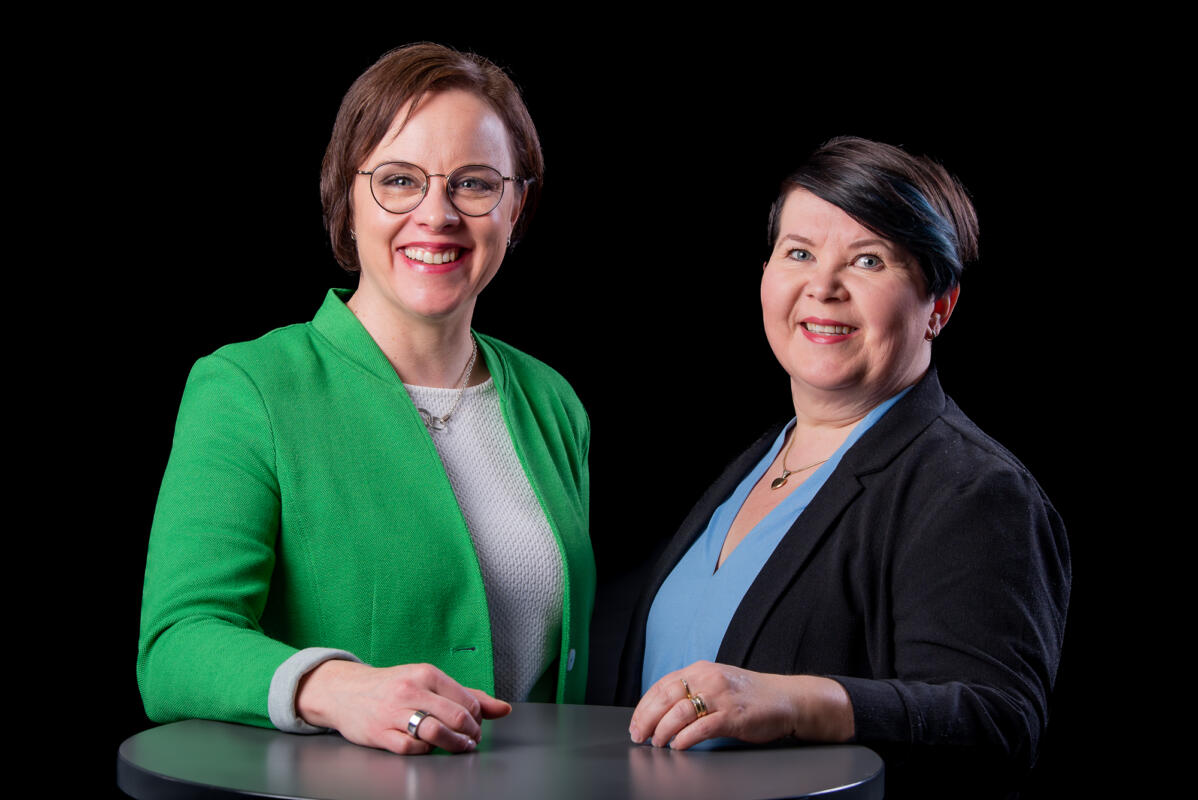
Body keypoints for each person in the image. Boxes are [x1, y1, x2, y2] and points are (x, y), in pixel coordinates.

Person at [138, 43, 594, 756]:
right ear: (346, 199)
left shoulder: (552, 402)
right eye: (399, 180)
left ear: (516, 206)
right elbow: (176, 646)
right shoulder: (248, 386)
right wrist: (337, 687)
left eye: (474, 184)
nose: (436, 214)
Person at [616, 137, 1069, 798]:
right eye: (799, 253)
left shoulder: (974, 491)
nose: (822, 287)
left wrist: (798, 702)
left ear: (938, 307)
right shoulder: (758, 462)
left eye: (868, 260)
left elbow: (998, 722)